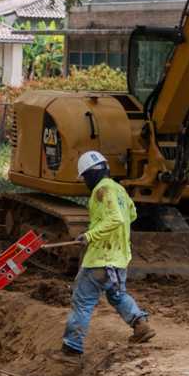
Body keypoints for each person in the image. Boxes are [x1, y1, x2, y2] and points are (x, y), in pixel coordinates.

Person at [62, 149, 154, 355]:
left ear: (90, 174)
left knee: (82, 300)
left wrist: (90, 235)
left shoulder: (101, 191)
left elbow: (116, 219)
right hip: (119, 258)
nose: (85, 181)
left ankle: (71, 349)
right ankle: (140, 325)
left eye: (85, 176)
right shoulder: (118, 189)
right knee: (116, 294)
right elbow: (131, 214)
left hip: (100, 259)